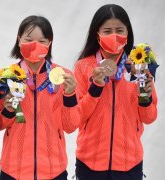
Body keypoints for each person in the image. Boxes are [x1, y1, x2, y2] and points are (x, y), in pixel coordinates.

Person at [73, 4, 158, 180]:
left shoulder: (139, 68)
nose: (114, 36)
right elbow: (76, 116)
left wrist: (146, 99)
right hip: (89, 163)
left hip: (129, 163)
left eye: (119, 30)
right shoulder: (84, 67)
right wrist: (95, 87)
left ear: (128, 34)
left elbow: (149, 117)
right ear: (97, 34)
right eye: (107, 31)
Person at [0, 15, 81, 180]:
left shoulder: (63, 76)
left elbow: (70, 126)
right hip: (13, 171)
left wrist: (70, 95)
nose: (35, 45)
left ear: (49, 43)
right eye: (29, 40)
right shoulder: (6, 77)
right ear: (19, 40)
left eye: (42, 41)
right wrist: (7, 110)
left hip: (53, 171)